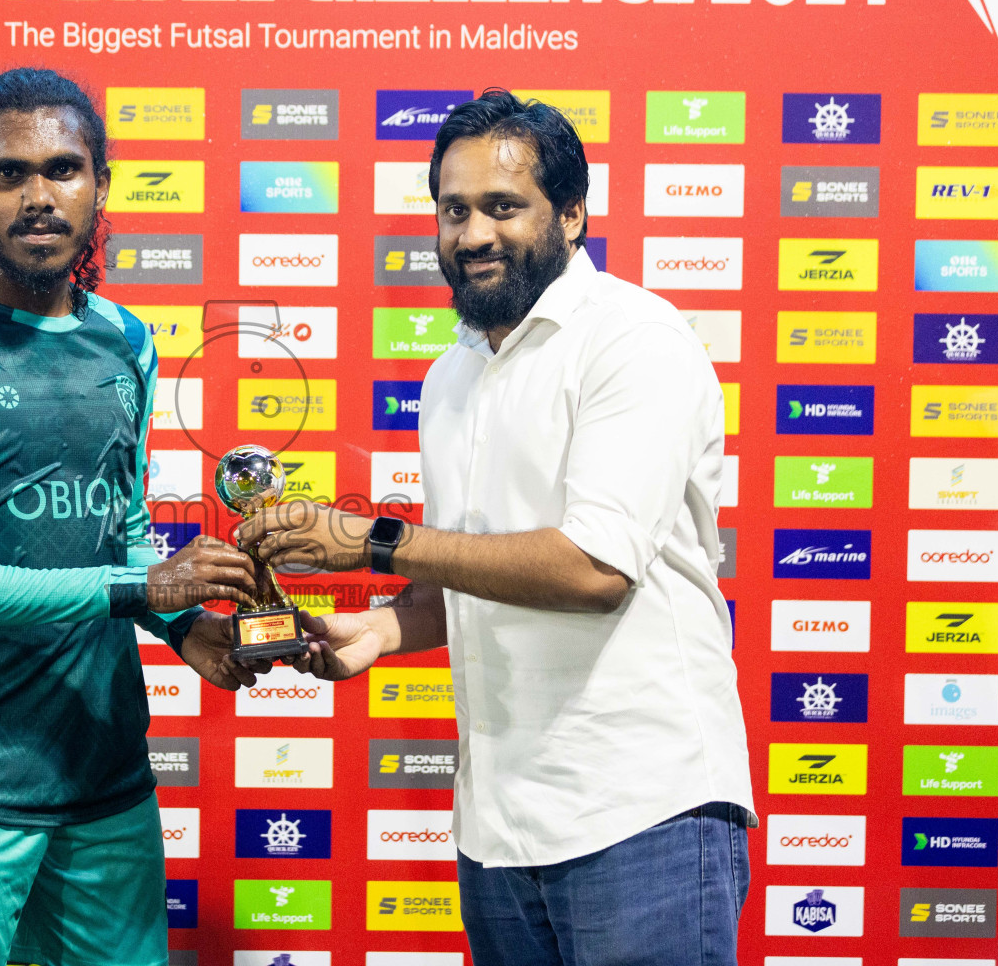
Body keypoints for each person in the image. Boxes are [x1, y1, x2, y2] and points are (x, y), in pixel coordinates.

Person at [236, 90, 756, 966]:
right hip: (497, 831)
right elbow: (465, 575)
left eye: (503, 207)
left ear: (575, 214)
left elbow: (593, 570)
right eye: (454, 209)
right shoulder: (452, 375)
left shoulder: (636, 342)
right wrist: (379, 630)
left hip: (641, 817)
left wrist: (370, 540)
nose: (472, 234)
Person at [0, 67, 272, 966]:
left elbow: (118, 532)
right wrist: (139, 589)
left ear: (101, 184)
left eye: (63, 169)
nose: (39, 196)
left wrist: (185, 624)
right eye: (9, 175)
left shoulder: (128, 340)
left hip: (103, 770)